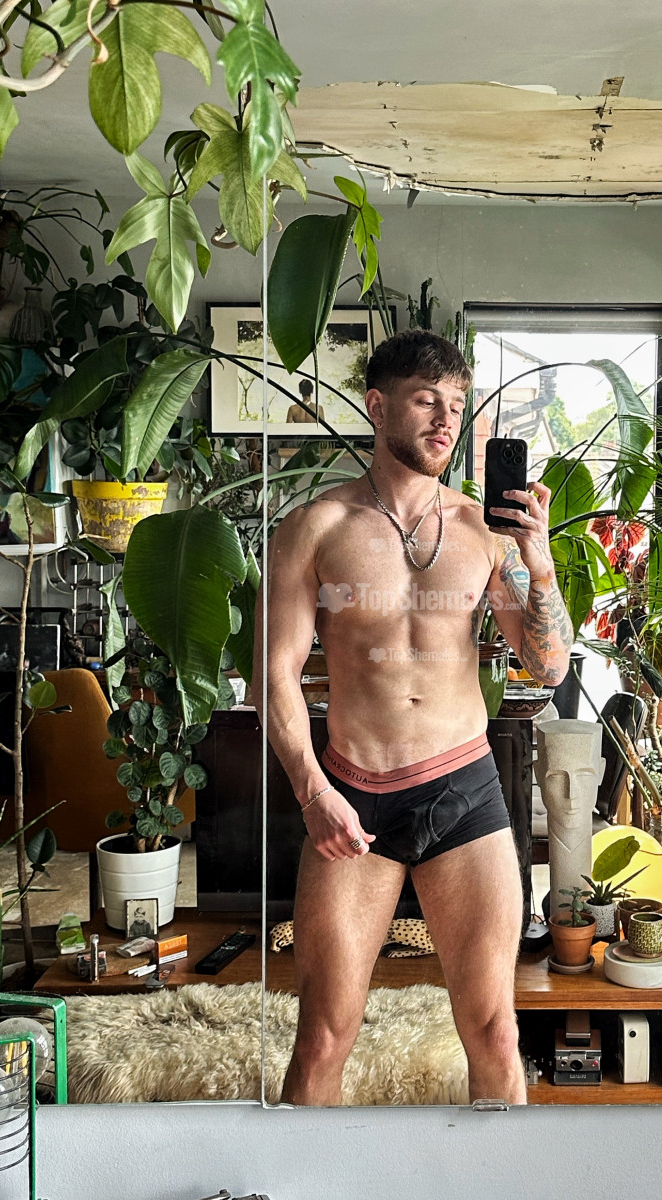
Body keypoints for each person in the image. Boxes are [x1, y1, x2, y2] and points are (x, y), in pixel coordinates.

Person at [254, 328, 573, 1106]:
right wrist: (313, 792)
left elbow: (549, 665)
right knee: (322, 1038)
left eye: (456, 404)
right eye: (427, 400)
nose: (446, 419)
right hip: (351, 796)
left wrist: (539, 564)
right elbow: (272, 676)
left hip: (462, 791)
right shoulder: (315, 528)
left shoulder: (483, 531)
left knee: (495, 1032)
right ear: (378, 406)